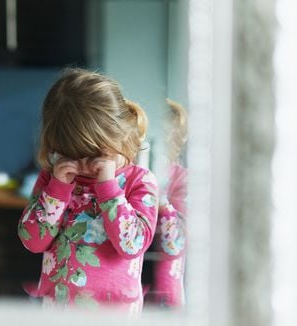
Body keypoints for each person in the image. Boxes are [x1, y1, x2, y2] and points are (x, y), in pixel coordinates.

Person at [17, 68, 158, 314]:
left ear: (119, 137)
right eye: (70, 154)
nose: (83, 166)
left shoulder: (140, 181)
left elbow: (132, 245)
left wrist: (108, 188)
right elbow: (33, 242)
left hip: (116, 314)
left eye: (94, 154)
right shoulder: (52, 179)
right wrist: (58, 189)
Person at [150, 99, 188, 308]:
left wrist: (160, 203)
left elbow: (179, 240)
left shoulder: (184, 180)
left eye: (167, 132)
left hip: (165, 287)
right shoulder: (132, 174)